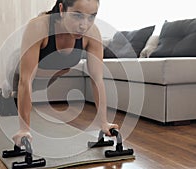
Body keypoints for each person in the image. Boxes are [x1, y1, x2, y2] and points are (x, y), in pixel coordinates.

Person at [11, 0, 119, 146]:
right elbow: (26, 80)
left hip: (51, 73)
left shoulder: (92, 34)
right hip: (19, 69)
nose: (84, 25)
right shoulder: (39, 26)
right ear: (62, 9)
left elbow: (97, 79)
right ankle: (7, 94)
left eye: (91, 17)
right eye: (77, 16)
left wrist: (104, 122)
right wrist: (24, 129)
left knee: (40, 85)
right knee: (14, 88)